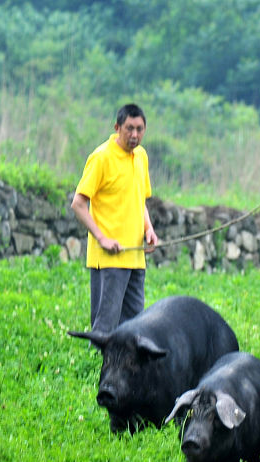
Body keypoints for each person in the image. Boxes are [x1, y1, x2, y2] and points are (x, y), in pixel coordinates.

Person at [71, 103, 159, 333]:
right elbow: (78, 204)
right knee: (105, 328)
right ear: (117, 127)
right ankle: (99, 368)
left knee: (134, 327)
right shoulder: (101, 157)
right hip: (109, 258)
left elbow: (140, 200)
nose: (134, 135)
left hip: (135, 256)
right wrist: (102, 239)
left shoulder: (141, 157)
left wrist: (148, 229)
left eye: (140, 129)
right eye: (129, 128)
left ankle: (128, 369)